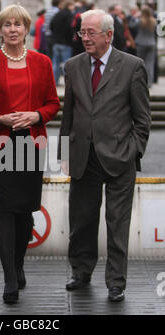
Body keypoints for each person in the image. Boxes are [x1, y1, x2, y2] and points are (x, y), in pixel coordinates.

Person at [58, 9, 151, 302]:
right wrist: (65, 154)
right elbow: (68, 115)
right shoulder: (72, 66)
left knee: (117, 223)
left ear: (109, 35)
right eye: (82, 33)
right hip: (84, 157)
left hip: (120, 157)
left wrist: (134, 149)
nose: (84, 38)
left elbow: (142, 118)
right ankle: (81, 272)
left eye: (90, 33)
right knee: (82, 220)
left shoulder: (133, 66)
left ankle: (116, 282)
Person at [0, 4, 60, 304]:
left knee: (26, 211)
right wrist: (0, 119)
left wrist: (37, 116)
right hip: (0, 144)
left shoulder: (42, 62)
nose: (12, 29)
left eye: (18, 24)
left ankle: (19, 263)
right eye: (7, 25)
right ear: (0, 30)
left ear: (27, 29)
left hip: (32, 144)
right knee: (5, 210)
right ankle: (9, 277)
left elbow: (53, 103)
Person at [50, 1, 74, 86]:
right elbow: (70, 28)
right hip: (66, 42)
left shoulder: (57, 14)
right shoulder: (69, 15)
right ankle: (68, 83)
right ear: (69, 5)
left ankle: (54, 82)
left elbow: (51, 25)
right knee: (66, 64)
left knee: (55, 64)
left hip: (56, 42)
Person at [135, 6, 157, 88]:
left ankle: (141, 81)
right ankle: (149, 83)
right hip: (151, 43)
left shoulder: (140, 21)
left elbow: (131, 26)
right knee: (150, 63)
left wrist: (135, 17)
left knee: (140, 63)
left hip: (141, 43)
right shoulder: (154, 21)